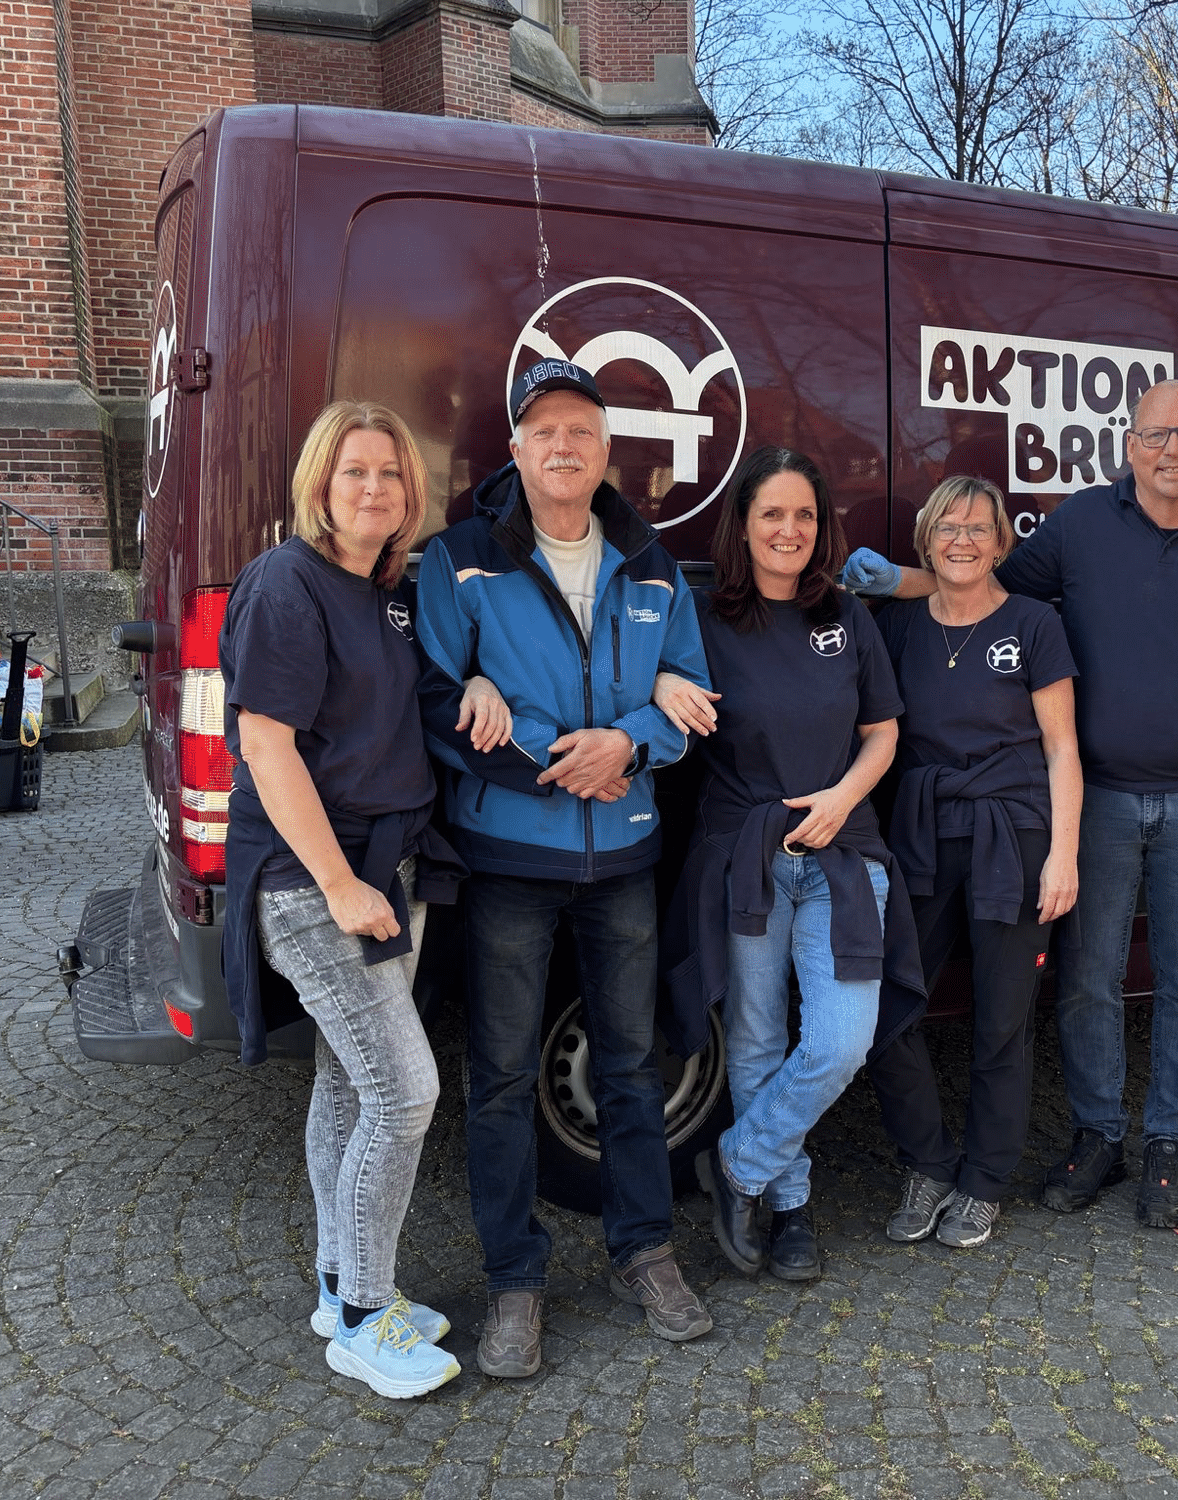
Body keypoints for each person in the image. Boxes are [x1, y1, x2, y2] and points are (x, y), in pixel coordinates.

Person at [844, 379, 1178, 1229]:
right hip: (1093, 799)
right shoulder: (1080, 522)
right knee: (1088, 981)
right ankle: (1098, 1135)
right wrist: (897, 581)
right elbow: (978, 583)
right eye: (1153, 435)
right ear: (1127, 445)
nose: (1170, 450)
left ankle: (1169, 1145)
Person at [415, 358, 714, 1378]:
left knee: (631, 1066)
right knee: (499, 1079)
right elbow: (440, 703)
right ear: (514, 450)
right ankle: (514, 1281)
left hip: (625, 853)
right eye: (542, 430)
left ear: (603, 449)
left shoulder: (652, 564)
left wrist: (626, 744)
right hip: (510, 854)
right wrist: (564, 758)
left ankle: (645, 1251)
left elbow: (691, 700)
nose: (562, 445)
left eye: (580, 429)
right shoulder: (458, 562)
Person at [218, 399, 464, 1401]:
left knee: (343, 1082)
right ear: (319, 482)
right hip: (314, 880)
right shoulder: (288, 581)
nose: (374, 490)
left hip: (385, 866)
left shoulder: (383, 591)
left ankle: (337, 1285)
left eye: (391, 476)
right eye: (354, 471)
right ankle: (365, 1320)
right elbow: (264, 745)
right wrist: (340, 884)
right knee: (405, 1091)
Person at [652, 446, 925, 1282]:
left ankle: (737, 1166)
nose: (790, 529)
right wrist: (665, 681)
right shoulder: (700, 617)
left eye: (804, 515)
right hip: (747, 854)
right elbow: (648, 680)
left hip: (847, 851)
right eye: (772, 513)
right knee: (760, 1033)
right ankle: (791, 1203)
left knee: (842, 1040)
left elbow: (883, 732)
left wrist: (843, 798)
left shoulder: (847, 615)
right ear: (742, 523)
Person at [864, 476, 1082, 1250]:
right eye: (948, 525)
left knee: (1002, 1020)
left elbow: (1061, 748)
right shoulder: (896, 625)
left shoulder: (1032, 624)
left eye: (978, 527)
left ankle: (984, 1181)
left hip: (1012, 835)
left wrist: (1063, 855)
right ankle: (927, 1163)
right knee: (888, 1009)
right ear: (927, 538)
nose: (962, 538)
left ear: (1001, 541)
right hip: (919, 831)